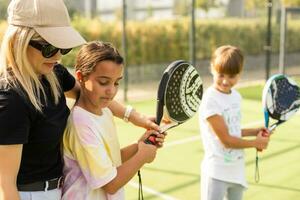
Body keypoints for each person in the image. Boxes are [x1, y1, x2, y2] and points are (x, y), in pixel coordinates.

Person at [0, 1, 159, 200]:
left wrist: (137, 118)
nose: (58, 56)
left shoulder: (53, 73)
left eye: (62, 48)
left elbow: (94, 95)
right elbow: (5, 185)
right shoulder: (11, 98)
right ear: (18, 42)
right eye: (49, 48)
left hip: (58, 190)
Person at [61, 41, 164, 199]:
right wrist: (142, 157)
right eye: (103, 82)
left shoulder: (105, 111)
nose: (111, 91)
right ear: (81, 77)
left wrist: (140, 146)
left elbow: (110, 162)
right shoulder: (80, 123)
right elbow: (110, 184)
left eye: (116, 82)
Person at [199, 45, 270, 200]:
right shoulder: (210, 99)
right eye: (221, 74)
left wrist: (255, 131)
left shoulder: (236, 97)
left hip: (237, 170)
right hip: (216, 172)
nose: (225, 81)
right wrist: (255, 143)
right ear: (212, 68)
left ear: (240, 73)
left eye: (231, 76)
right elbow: (226, 140)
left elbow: (233, 129)